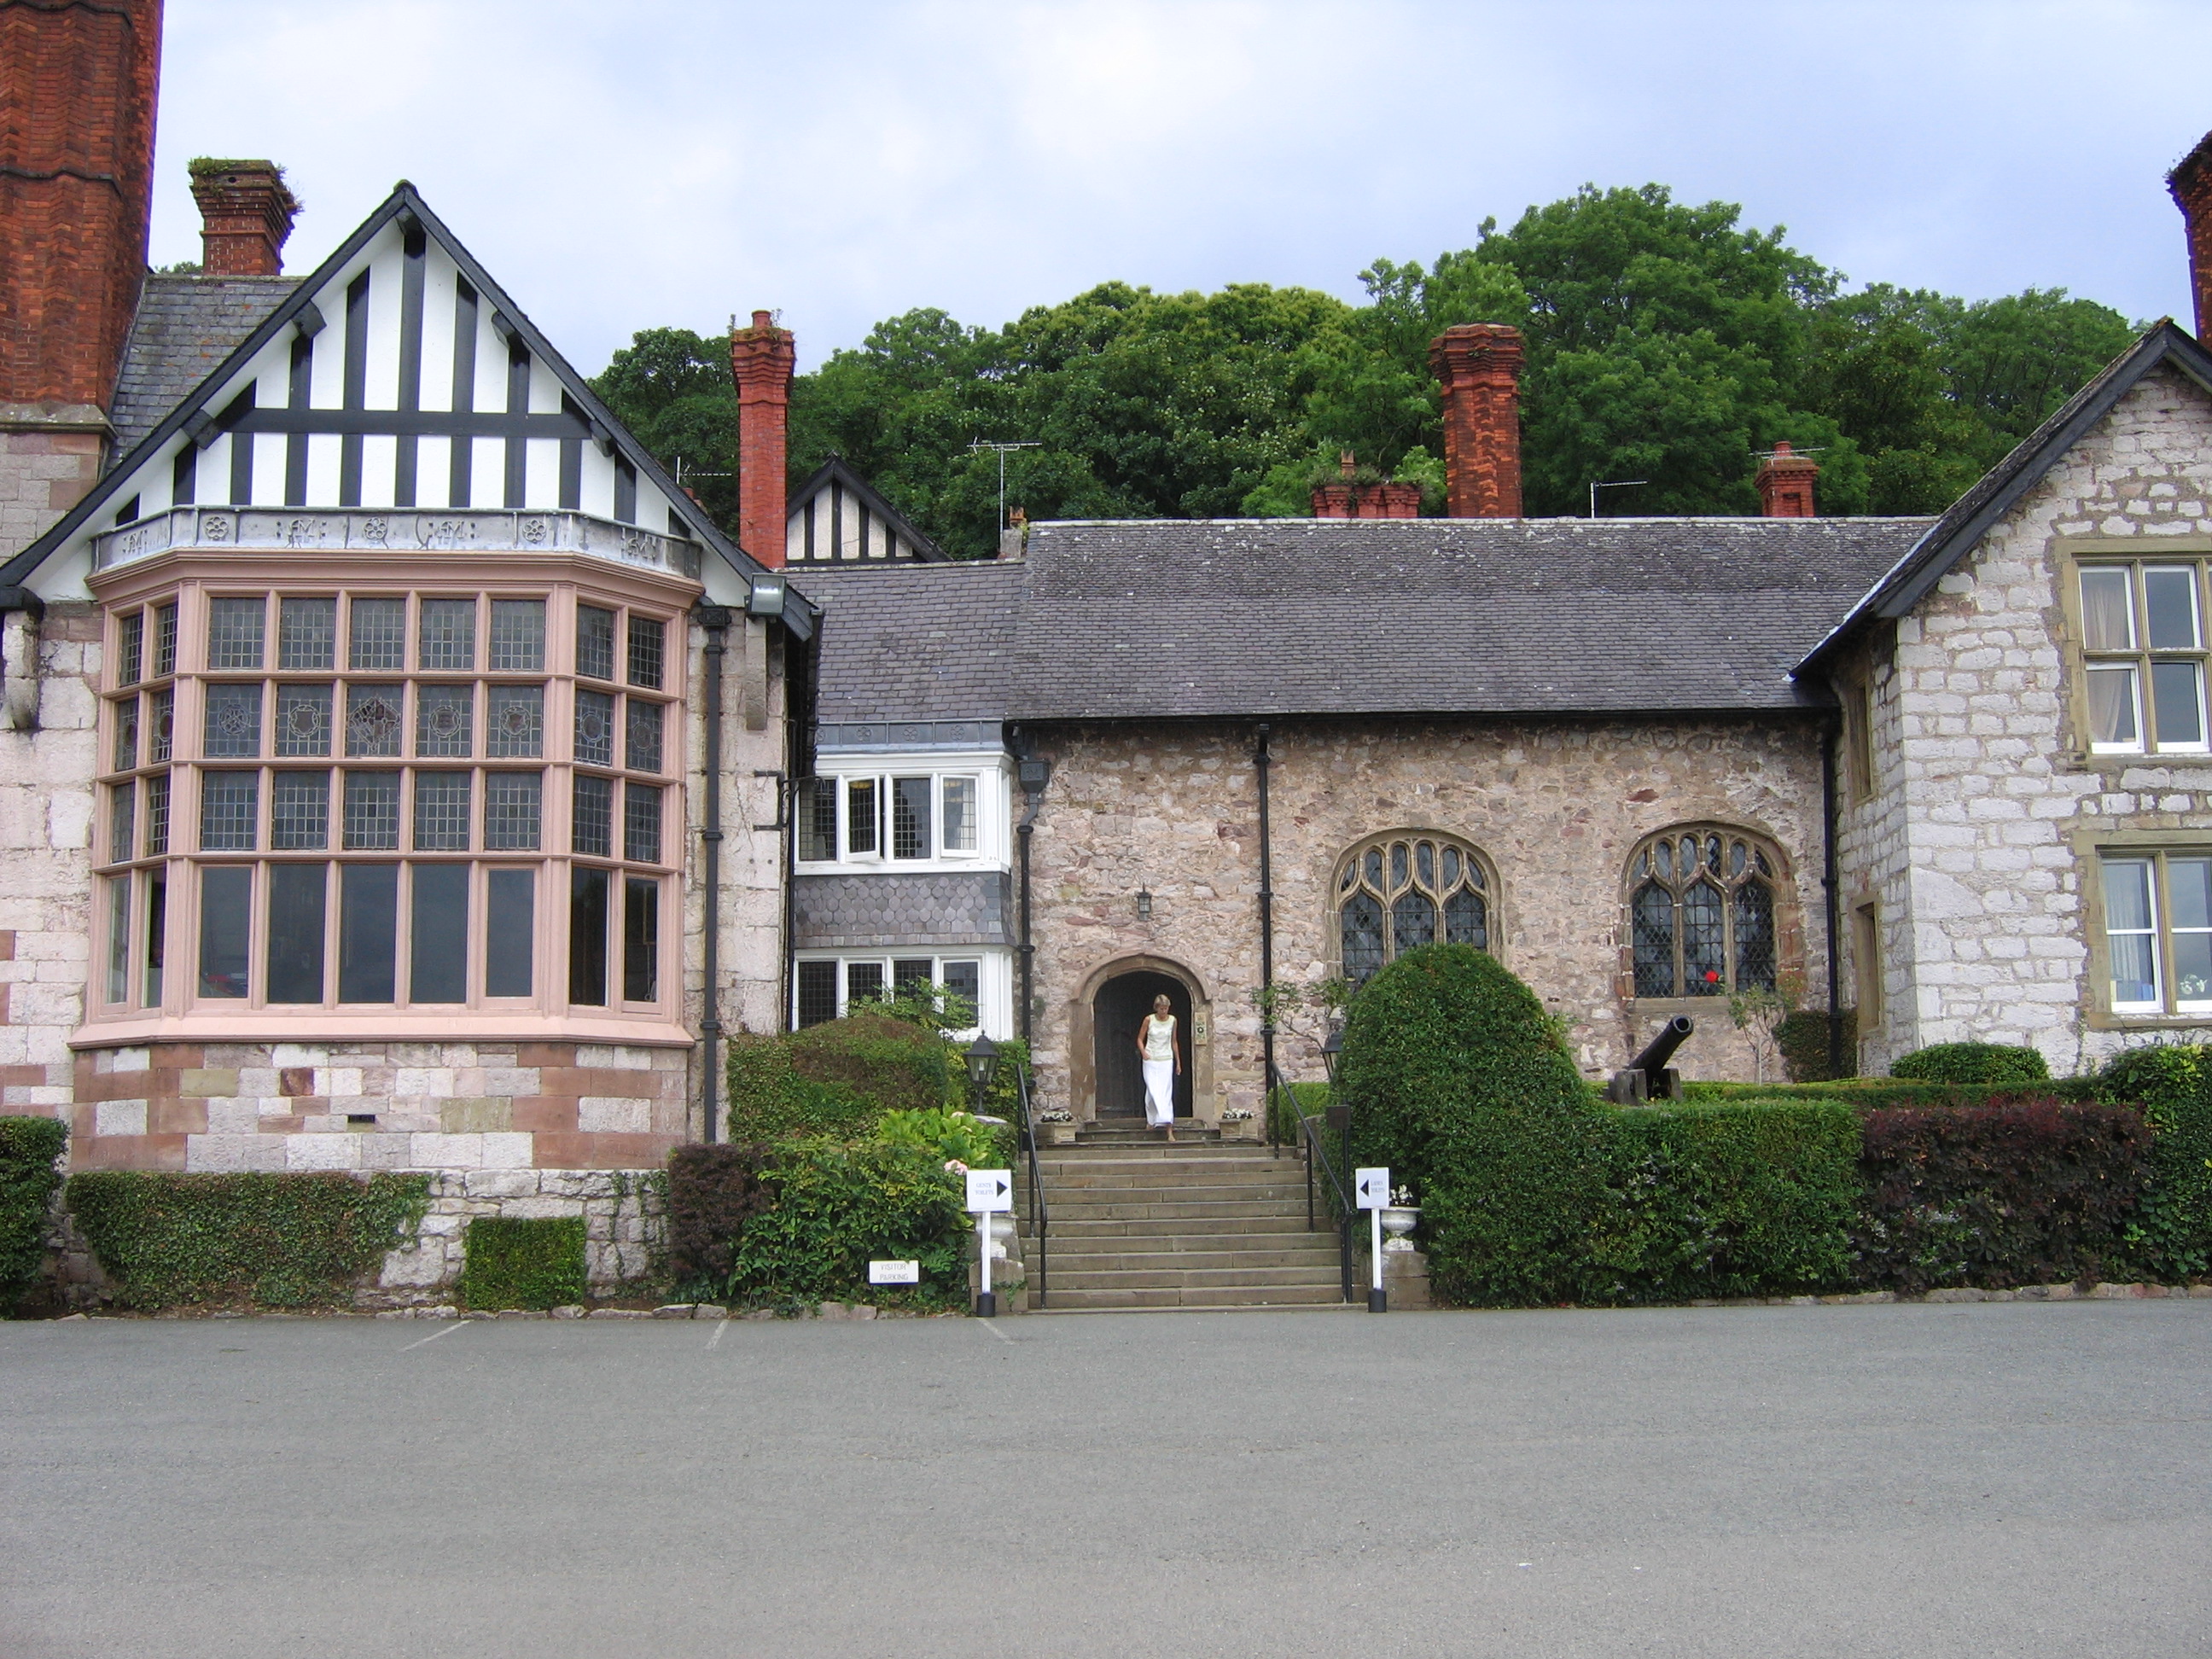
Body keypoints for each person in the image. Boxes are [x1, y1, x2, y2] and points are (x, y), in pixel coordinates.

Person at [1138, 993, 1180, 1131]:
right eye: (1161, 1008)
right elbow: (1139, 1039)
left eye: (1166, 1008)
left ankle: (1167, 1121)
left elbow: (1174, 1041)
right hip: (1151, 1059)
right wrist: (1144, 1052)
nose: (1164, 1011)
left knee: (1165, 1091)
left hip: (1166, 1059)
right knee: (1152, 1090)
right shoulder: (1149, 1020)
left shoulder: (1173, 1020)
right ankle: (1152, 1120)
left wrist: (1178, 1062)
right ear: (1157, 1008)